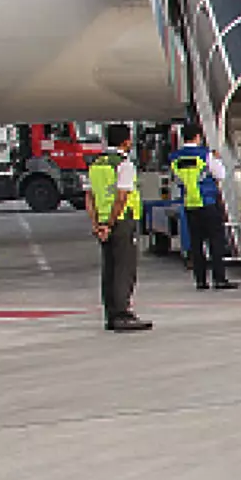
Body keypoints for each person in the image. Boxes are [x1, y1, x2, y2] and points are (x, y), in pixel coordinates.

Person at [86, 123, 152, 332]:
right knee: (125, 269)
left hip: (103, 223)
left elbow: (90, 197)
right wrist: (110, 223)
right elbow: (121, 197)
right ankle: (123, 314)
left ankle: (111, 313)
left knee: (110, 269)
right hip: (121, 222)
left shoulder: (96, 164)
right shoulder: (124, 165)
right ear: (126, 141)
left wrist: (97, 224)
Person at [169, 127, 236, 290]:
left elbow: (177, 180)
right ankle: (219, 278)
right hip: (208, 202)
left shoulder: (174, 158)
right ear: (198, 137)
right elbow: (221, 174)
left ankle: (200, 280)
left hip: (189, 203)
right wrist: (217, 160)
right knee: (216, 241)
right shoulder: (206, 155)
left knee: (196, 243)